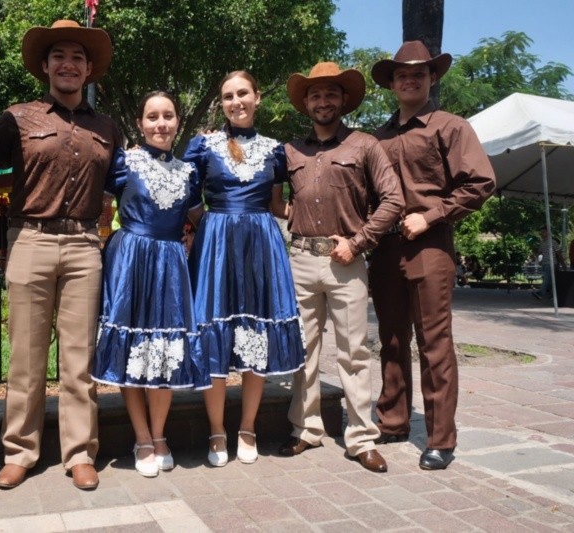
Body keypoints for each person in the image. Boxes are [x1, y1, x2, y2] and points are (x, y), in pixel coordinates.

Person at [0, 20, 121, 491]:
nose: (69, 64)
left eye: (78, 58)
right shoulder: (17, 118)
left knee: (78, 359)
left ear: (88, 70)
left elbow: (121, 186)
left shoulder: (107, 127)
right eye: (60, 56)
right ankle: (20, 451)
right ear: (45, 65)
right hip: (31, 241)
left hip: (85, 245)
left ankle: (80, 452)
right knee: (25, 359)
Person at [369, 41, 496, 470]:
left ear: (432, 78)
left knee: (434, 342)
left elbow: (480, 182)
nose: (410, 79)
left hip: (430, 247)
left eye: (419, 73)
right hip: (385, 250)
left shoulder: (450, 126)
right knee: (389, 337)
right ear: (391, 82)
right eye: (402, 74)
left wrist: (432, 214)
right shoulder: (378, 137)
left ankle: (441, 437)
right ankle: (393, 419)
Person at [272, 62, 404, 472]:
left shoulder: (364, 145)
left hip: (345, 260)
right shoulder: (290, 150)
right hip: (300, 259)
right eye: (315, 94)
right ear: (306, 103)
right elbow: (272, 197)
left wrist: (359, 242)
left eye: (331, 93)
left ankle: (362, 437)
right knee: (303, 351)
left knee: (353, 352)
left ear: (343, 100)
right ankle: (306, 429)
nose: (323, 100)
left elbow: (394, 200)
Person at [184, 70, 305, 467]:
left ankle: (247, 428)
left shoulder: (275, 150)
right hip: (216, 244)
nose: (235, 101)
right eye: (227, 96)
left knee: (256, 333)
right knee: (216, 334)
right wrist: (207, 224)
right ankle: (217, 431)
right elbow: (184, 192)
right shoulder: (203, 144)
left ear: (257, 97)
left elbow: (276, 203)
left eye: (242, 94)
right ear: (222, 103)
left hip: (260, 245)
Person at [91, 91, 210, 477]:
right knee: (132, 349)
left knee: (163, 352)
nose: (161, 123)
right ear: (140, 124)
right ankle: (141, 437)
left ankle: (159, 435)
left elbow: (202, 219)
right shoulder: (125, 163)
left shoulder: (189, 172)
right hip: (130, 262)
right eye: (153, 117)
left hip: (171, 264)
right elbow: (101, 209)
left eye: (168, 116)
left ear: (178, 122)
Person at [533, 227, 564, 300]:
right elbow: (540, 252)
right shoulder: (543, 242)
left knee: (546, 278)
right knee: (550, 280)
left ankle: (540, 293)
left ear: (548, 233)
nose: (542, 234)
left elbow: (558, 253)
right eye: (541, 232)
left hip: (551, 263)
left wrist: (563, 264)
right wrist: (539, 260)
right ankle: (554, 295)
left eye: (543, 232)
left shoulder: (553, 242)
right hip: (545, 263)